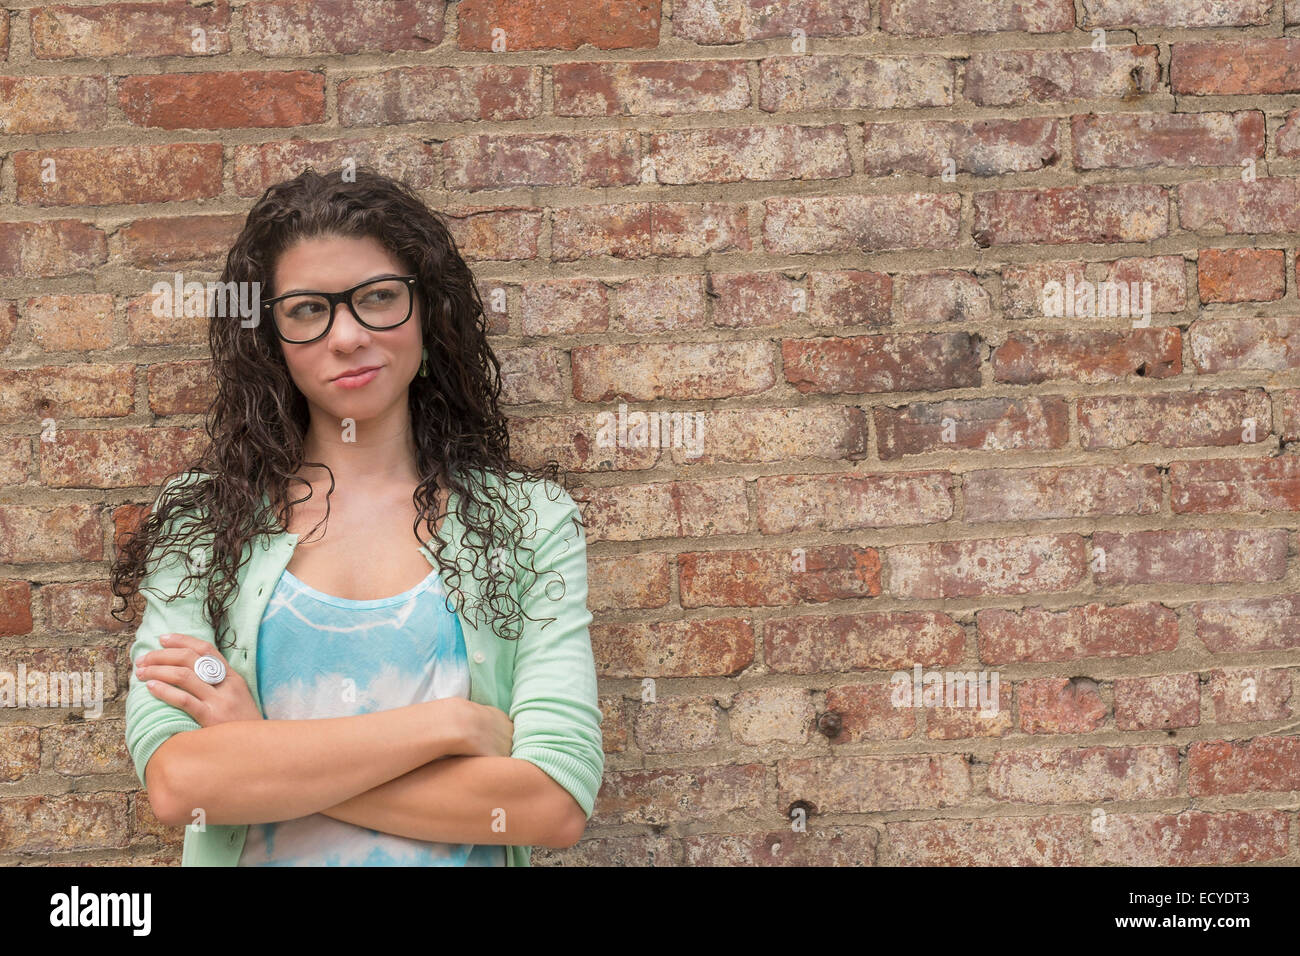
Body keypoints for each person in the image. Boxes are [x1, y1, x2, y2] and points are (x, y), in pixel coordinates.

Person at [111, 166, 604, 866]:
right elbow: (181, 782)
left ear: (428, 315)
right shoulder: (199, 521)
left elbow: (549, 804)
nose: (347, 336)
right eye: (309, 309)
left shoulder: (529, 522)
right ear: (272, 340)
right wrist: (447, 726)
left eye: (377, 298)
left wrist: (260, 749)